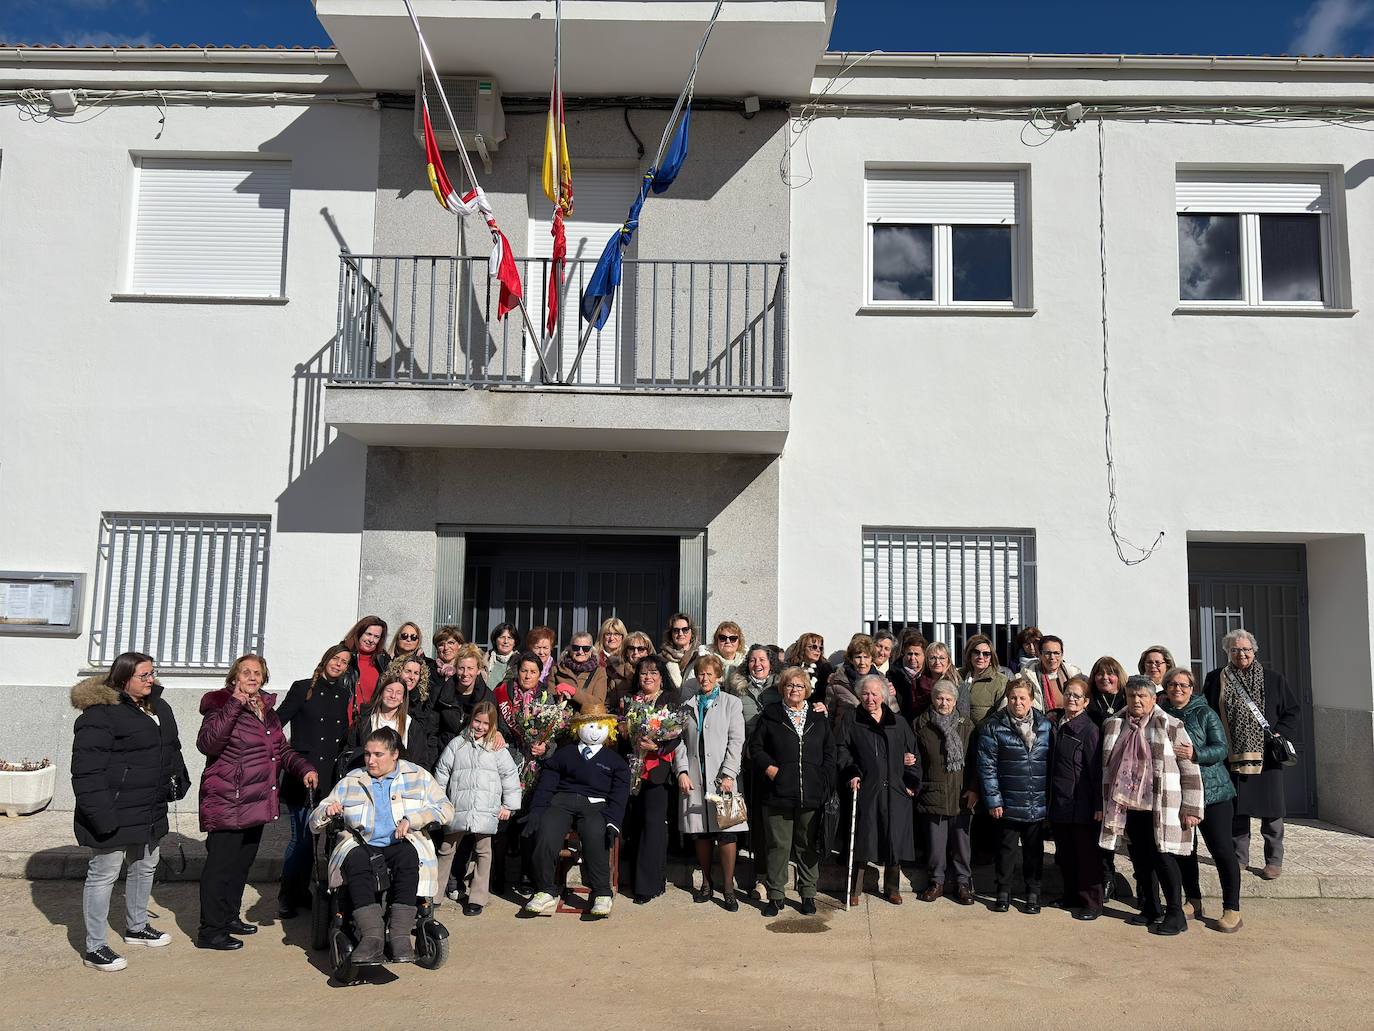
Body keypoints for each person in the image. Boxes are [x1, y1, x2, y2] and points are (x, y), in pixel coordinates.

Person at [70, 652, 189, 972]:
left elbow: (171, 747)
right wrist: (101, 815)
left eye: (153, 673)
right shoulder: (101, 714)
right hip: (113, 809)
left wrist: (179, 779)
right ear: (123, 680)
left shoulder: (158, 706)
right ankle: (94, 946)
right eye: (145, 675)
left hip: (149, 807)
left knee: (145, 866)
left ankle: (137, 927)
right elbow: (86, 772)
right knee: (103, 875)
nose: (152, 680)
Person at [196, 654, 317, 950]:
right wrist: (234, 703)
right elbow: (207, 743)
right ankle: (210, 930)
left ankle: (228, 917)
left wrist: (304, 769)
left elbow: (281, 749)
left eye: (257, 673)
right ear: (234, 677)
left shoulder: (267, 710)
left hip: (256, 799)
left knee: (240, 865)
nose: (252, 677)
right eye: (246, 672)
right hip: (227, 798)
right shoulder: (219, 704)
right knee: (220, 867)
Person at [310, 727, 454, 963]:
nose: (370, 760)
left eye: (378, 755)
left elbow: (447, 810)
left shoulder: (417, 776)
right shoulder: (352, 780)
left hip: (401, 841)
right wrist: (327, 811)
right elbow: (314, 821)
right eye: (367, 754)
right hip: (361, 843)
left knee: (409, 857)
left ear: (395, 754)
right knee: (356, 861)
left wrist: (414, 819)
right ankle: (372, 936)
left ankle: (399, 935)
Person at [1100, 676, 1204, 936]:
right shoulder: (1115, 724)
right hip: (1129, 803)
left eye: (1142, 696)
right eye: (1132, 696)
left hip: (1162, 803)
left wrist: (1192, 808)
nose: (1136, 701)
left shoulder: (1170, 724)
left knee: (1164, 858)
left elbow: (1189, 768)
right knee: (1140, 859)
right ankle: (1151, 908)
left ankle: (1176, 913)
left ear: (1153, 699)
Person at [1203, 628, 1300, 882]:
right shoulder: (1215, 679)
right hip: (1231, 756)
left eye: (1246, 649)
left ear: (1254, 651)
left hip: (1266, 757)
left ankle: (1273, 861)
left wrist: (1279, 734)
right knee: (1237, 811)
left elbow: (1292, 711)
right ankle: (1239, 858)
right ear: (1227, 652)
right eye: (1235, 650)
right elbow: (1208, 714)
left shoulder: (1273, 679)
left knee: (1272, 812)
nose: (1241, 654)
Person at [523, 704, 631, 919]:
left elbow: (620, 794)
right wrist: (537, 810)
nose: (593, 731)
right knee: (546, 832)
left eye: (599, 726)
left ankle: (601, 892)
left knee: (595, 834)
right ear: (578, 728)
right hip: (562, 801)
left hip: (596, 803)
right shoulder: (565, 755)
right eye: (589, 725)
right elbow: (547, 784)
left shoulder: (615, 761)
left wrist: (613, 820)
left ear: (608, 729)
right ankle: (545, 889)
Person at [749, 666, 836, 917]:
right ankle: (775, 896)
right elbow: (756, 747)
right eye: (789, 685)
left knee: (807, 844)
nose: (794, 689)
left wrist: (823, 777)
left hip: (811, 792)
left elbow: (830, 752)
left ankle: (808, 893)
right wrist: (770, 769)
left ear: (807, 690)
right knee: (778, 845)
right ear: (782, 689)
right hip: (777, 792)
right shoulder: (771, 714)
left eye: (799, 686)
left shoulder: (818, 717)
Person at [1161, 667, 1243, 932]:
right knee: (1186, 851)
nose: (1178, 689)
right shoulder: (1161, 715)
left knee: (1221, 850)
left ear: (1192, 688)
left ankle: (1232, 909)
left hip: (1213, 793)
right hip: (1179, 794)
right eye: (1172, 685)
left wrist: (1195, 753)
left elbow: (1222, 748)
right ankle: (1193, 901)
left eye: (1183, 685)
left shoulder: (1205, 713)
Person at [275, 643, 354, 918]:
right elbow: (276, 724)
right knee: (302, 839)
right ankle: (287, 894)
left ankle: (305, 891)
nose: (339, 664)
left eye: (344, 662)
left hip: (329, 778)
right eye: (336, 658)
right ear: (326, 659)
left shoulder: (344, 694)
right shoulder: (302, 687)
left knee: (320, 839)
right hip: (303, 774)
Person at [432, 701, 521, 917]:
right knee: (446, 849)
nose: (480, 727)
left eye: (485, 724)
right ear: (470, 719)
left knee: (483, 851)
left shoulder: (497, 749)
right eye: (477, 721)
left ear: (492, 726)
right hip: (458, 806)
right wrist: (439, 803)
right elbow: (442, 772)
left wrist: (509, 806)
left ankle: (478, 897)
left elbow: (509, 776)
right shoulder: (457, 744)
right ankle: (433, 894)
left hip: (485, 807)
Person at [838, 674, 919, 905]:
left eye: (874, 693)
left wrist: (911, 783)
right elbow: (842, 750)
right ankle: (855, 889)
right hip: (867, 788)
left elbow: (913, 755)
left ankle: (892, 888)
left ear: (883, 695)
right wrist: (851, 772)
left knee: (893, 839)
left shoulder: (899, 722)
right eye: (865, 693)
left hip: (895, 790)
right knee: (864, 838)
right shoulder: (852, 720)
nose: (869, 698)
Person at [674, 654, 748, 910]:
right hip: (695, 777)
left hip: (722, 778)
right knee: (701, 833)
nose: (704, 678)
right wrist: (682, 771)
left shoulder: (732, 703)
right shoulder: (687, 706)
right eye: (700, 674)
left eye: (709, 674)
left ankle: (728, 887)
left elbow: (736, 741)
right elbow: (679, 742)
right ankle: (706, 882)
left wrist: (729, 773)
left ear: (718, 676)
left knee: (727, 832)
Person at [977, 680, 1051, 914]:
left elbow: (1051, 765)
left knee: (1033, 852)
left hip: (1036, 801)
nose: (1017, 702)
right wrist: (994, 800)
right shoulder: (993, 726)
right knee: (1006, 851)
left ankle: (1033, 893)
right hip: (1007, 802)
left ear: (1031, 700)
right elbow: (987, 767)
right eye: (1013, 698)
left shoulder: (1045, 726)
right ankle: (1003, 892)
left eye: (1022, 698)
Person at [618, 655, 683, 905]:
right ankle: (635, 880)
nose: (648, 677)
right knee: (634, 826)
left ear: (661, 677)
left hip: (657, 771)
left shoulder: (670, 700)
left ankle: (650, 885)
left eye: (654, 673)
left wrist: (656, 745)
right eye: (644, 673)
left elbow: (676, 736)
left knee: (653, 827)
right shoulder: (630, 701)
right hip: (632, 769)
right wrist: (625, 731)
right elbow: (622, 732)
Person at [913, 681, 977, 905]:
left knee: (962, 844)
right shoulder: (920, 725)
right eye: (940, 698)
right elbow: (916, 759)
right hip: (934, 792)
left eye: (949, 699)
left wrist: (974, 788)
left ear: (955, 701)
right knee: (935, 845)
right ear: (933, 699)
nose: (944, 703)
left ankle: (963, 884)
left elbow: (975, 761)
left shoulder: (966, 725)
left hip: (962, 794)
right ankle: (936, 883)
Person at [1048, 676, 1104, 920]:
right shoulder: (1055, 723)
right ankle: (1070, 895)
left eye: (1077, 696)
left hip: (1081, 803)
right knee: (1065, 854)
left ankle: (1092, 902)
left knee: (1086, 857)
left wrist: (1099, 805)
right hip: (1060, 801)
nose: (1071, 699)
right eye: (1068, 694)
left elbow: (1096, 771)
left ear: (1086, 701)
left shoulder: (1089, 729)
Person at [346, 672, 435, 770]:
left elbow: (421, 761)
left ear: (403, 699)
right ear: (381, 693)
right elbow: (351, 754)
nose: (393, 696)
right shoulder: (364, 723)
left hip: (402, 782)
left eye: (398, 693)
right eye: (389, 690)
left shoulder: (412, 726)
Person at [825, 635, 897, 724]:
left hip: (877, 733)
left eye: (866, 657)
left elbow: (894, 713)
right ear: (851, 659)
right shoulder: (836, 682)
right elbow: (829, 717)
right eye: (858, 657)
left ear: (872, 659)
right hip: (847, 734)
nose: (862, 662)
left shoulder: (883, 681)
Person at [1015, 635, 1081, 712]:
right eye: (1047, 653)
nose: (1052, 657)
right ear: (1039, 654)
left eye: (1056, 653)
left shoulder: (1074, 674)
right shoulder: (1026, 676)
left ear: (1062, 655)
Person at [341, 616, 390, 719]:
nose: (371, 640)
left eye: (376, 637)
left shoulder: (383, 662)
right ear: (359, 633)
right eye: (368, 634)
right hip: (342, 722)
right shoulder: (342, 655)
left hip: (369, 724)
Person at [962, 634, 1009, 724]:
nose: (980, 657)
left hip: (984, 734)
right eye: (976, 652)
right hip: (959, 733)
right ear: (970, 655)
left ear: (991, 658)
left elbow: (1002, 716)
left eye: (986, 654)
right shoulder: (958, 676)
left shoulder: (1001, 681)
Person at [887, 633, 928, 721]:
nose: (912, 658)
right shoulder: (891, 675)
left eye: (916, 654)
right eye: (909, 654)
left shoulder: (930, 675)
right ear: (904, 654)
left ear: (924, 655)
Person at [659, 612, 704, 690]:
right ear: (671, 633)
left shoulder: (701, 656)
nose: (680, 633)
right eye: (676, 630)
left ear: (692, 632)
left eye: (685, 629)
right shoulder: (661, 658)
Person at [922, 643, 969, 717]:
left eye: (942, 658)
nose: (937, 662)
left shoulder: (957, 684)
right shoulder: (919, 681)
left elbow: (963, 714)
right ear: (927, 660)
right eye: (933, 658)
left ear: (948, 660)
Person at [784, 632, 833, 701]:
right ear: (803, 648)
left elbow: (829, 693)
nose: (818, 650)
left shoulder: (825, 669)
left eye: (820, 648)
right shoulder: (791, 668)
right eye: (814, 647)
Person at [1086, 656, 1128, 727]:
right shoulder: (1088, 698)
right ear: (1094, 677)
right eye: (1100, 674)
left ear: (1119, 676)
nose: (1105, 677)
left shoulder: (1128, 697)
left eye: (1110, 673)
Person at [482, 622, 519, 692]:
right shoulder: (484, 660)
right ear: (495, 640)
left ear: (514, 642)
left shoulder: (519, 662)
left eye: (510, 638)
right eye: (502, 637)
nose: (506, 641)